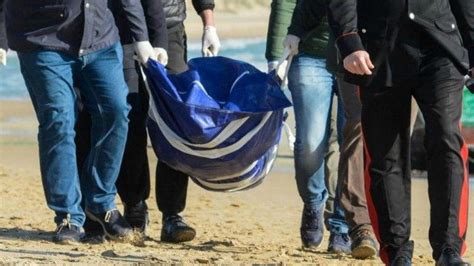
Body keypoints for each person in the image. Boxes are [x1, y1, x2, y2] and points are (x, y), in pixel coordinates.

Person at [293, 0, 473, 265]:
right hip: (378, 47)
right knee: (386, 153)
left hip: (441, 46)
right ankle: (396, 250)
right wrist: (348, 39)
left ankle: (449, 248)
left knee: (447, 139)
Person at [5, 0, 157, 244]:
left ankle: (100, 203)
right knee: (59, 122)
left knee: (116, 111)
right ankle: (68, 216)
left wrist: (141, 37)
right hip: (42, 40)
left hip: (100, 39)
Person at [76, 0, 220, 243]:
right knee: (129, 118)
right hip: (117, 27)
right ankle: (134, 204)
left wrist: (209, 25)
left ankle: (172, 214)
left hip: (169, 24)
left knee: (175, 121)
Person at [75, 0, 169, 242]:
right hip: (75, 41)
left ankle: (134, 202)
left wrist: (157, 41)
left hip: (128, 41)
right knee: (83, 124)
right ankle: (90, 212)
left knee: (131, 125)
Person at [265, 0, 351, 254]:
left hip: (357, 55)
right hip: (311, 52)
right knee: (310, 144)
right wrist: (274, 55)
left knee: (351, 144)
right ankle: (313, 202)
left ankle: (342, 225)